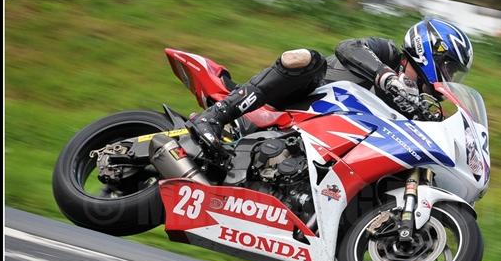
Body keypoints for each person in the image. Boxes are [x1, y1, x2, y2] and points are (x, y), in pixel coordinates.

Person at [188, 18, 474, 157]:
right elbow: (347, 47)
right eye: (449, 68)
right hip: (299, 102)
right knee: (307, 59)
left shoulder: (415, 104)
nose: (450, 78)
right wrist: (387, 77)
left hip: (323, 144)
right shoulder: (386, 52)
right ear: (429, 52)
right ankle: (215, 116)